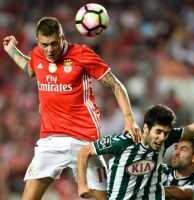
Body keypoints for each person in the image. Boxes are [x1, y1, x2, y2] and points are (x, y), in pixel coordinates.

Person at [2, 16, 141, 200]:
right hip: (50, 141)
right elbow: (31, 69)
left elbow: (115, 84)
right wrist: (12, 51)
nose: (49, 50)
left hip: (85, 139)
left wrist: (129, 120)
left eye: (54, 43)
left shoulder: (82, 54)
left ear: (62, 37)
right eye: (45, 44)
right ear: (38, 41)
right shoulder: (37, 54)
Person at [77, 75, 194, 199]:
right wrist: (82, 185)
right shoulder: (124, 142)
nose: (162, 138)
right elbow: (85, 151)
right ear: (146, 129)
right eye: (158, 132)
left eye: (166, 133)